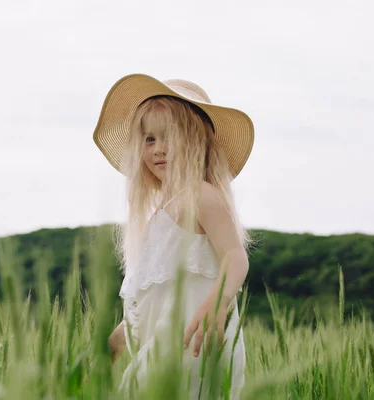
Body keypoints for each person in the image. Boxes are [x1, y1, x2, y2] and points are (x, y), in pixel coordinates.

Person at [93, 74, 254, 399]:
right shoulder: (159, 215)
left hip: (196, 343)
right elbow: (158, 295)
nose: (158, 149)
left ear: (197, 140)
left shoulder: (201, 195)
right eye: (149, 139)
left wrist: (218, 304)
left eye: (170, 136)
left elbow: (235, 258)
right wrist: (118, 339)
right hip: (163, 345)